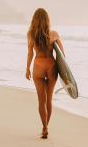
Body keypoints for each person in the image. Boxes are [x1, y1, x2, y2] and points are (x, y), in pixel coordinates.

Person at [25, 8, 65, 139]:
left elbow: (30, 52)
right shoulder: (54, 34)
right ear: (47, 20)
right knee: (49, 99)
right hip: (51, 66)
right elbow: (62, 56)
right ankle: (46, 127)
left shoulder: (31, 34)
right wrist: (65, 75)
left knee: (41, 100)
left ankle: (44, 128)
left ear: (34, 20)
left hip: (38, 67)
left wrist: (27, 68)